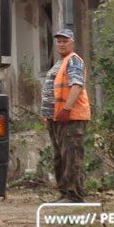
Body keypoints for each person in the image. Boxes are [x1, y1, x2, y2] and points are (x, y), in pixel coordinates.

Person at [40, 28, 91, 202]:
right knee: (60, 157)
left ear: (72, 42)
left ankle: (74, 195)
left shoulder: (73, 60)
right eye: (59, 41)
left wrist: (67, 108)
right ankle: (64, 193)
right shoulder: (60, 62)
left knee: (71, 156)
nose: (61, 44)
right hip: (57, 118)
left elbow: (76, 85)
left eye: (65, 41)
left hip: (71, 118)